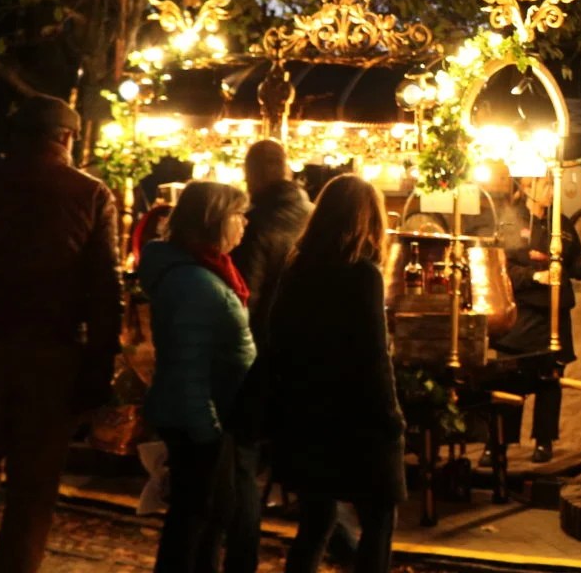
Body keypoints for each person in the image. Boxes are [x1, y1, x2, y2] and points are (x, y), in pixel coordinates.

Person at [0, 95, 122, 573]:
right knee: (33, 489)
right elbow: (103, 289)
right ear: (66, 138)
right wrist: (99, 365)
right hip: (51, 359)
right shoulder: (89, 194)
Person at [263, 174, 404, 573]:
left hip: (306, 413)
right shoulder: (362, 274)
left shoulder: (298, 268)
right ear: (368, 220)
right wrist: (390, 416)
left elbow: (279, 337)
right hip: (355, 418)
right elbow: (373, 355)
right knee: (378, 518)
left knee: (316, 521)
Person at [139, 182, 258, 573]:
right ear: (214, 222)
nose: (244, 223)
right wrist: (205, 431)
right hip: (202, 421)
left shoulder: (204, 272)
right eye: (237, 215)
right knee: (196, 519)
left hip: (210, 416)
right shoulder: (195, 283)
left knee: (207, 517)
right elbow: (189, 367)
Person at [491, 175, 581, 462]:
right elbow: (501, 267)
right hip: (521, 316)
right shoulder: (509, 221)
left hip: (555, 317)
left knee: (550, 378)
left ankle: (544, 442)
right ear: (528, 187)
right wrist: (535, 275)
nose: (551, 191)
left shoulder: (563, 225)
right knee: (510, 379)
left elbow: (576, 263)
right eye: (545, 185)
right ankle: (499, 443)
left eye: (552, 185)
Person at [231, 140, 313, 336]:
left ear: (253, 175)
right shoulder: (315, 214)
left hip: (268, 335)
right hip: (308, 331)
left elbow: (247, 295)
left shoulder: (252, 225)